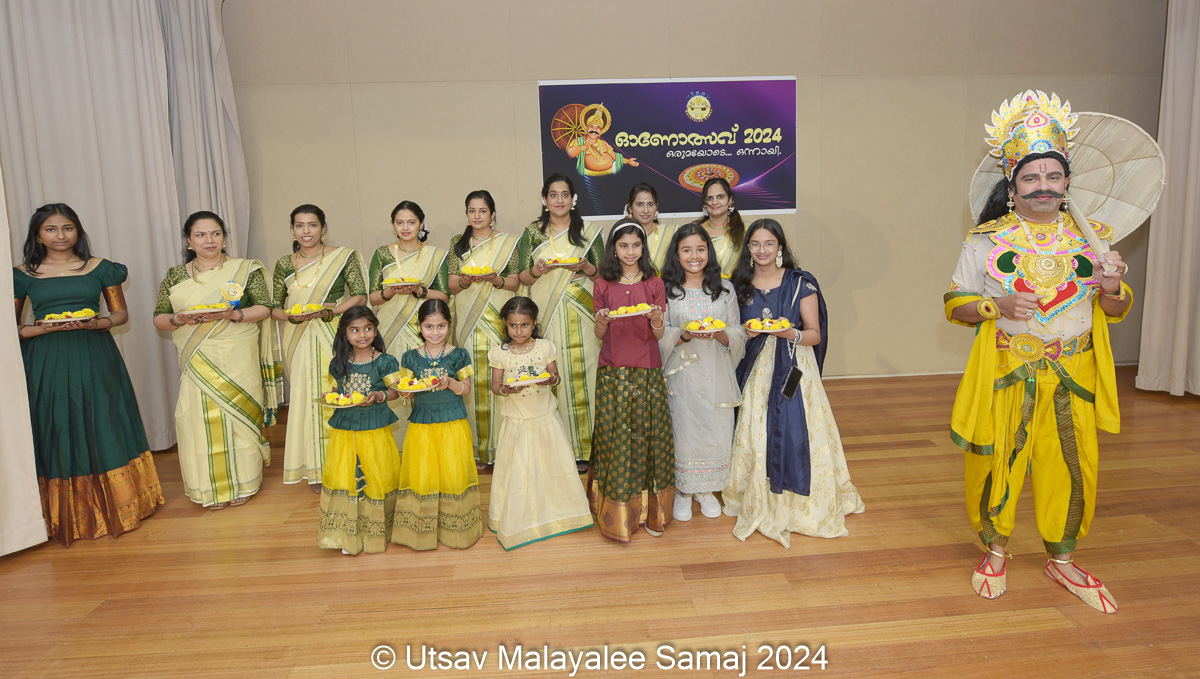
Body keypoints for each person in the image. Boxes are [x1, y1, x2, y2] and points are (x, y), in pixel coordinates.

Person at [947, 90, 1132, 613]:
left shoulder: (1095, 239)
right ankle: (995, 550)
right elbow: (955, 303)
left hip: (1074, 373)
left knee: (1071, 467)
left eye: (1053, 176)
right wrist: (996, 305)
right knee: (998, 463)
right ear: (1012, 187)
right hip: (1009, 370)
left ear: (1068, 182)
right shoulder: (985, 240)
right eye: (1031, 178)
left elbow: (1117, 308)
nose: (1043, 185)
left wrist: (1111, 285)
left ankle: (1063, 558)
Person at [14, 203, 164, 544]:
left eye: (67, 228)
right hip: (46, 361)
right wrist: (43, 328)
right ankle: (61, 515)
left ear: (78, 231)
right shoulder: (22, 275)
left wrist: (96, 323)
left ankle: (121, 505)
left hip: (95, 354)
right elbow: (12, 328)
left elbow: (120, 314)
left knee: (103, 421)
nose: (60, 235)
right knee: (56, 424)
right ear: (38, 234)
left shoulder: (101, 268)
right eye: (51, 229)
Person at [724, 219, 864, 547]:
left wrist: (790, 333)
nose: (761, 250)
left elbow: (814, 334)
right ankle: (756, 496)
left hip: (794, 366)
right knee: (756, 430)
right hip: (755, 371)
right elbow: (732, 332)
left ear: (780, 247)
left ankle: (800, 502)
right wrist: (746, 332)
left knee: (798, 429)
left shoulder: (800, 282)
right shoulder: (738, 285)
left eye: (768, 243)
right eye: (755, 244)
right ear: (748, 249)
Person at [153, 211, 281, 509]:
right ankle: (207, 488)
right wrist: (179, 318)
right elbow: (159, 317)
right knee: (196, 418)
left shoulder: (244, 270)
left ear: (224, 237)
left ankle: (244, 482)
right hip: (197, 356)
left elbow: (264, 307)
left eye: (215, 233)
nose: (209, 240)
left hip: (237, 354)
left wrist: (233, 314)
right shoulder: (175, 275)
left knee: (239, 416)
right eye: (200, 234)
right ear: (189, 240)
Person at [589, 219, 675, 541]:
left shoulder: (654, 282)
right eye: (623, 245)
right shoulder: (602, 284)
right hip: (613, 370)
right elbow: (600, 334)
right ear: (614, 248)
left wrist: (656, 319)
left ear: (643, 248)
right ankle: (617, 510)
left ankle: (652, 511)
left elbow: (659, 333)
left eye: (636, 245)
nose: (629, 251)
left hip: (647, 369)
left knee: (649, 436)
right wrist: (601, 321)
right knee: (616, 438)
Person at [271, 204, 367, 491]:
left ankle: (347, 465)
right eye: (299, 225)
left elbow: (360, 295)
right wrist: (291, 316)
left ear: (323, 228)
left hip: (332, 332)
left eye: (312, 225)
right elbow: (274, 308)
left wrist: (331, 311)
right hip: (297, 336)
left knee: (338, 391)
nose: (306, 231)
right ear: (292, 230)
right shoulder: (284, 264)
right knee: (306, 398)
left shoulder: (342, 257)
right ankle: (315, 469)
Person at [487, 297, 593, 549]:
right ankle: (521, 518)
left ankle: (559, 513)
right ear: (505, 324)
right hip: (517, 419)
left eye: (524, 325)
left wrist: (551, 380)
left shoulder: (545, 347)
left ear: (534, 323)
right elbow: (495, 385)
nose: (519, 331)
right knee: (521, 468)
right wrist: (505, 389)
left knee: (551, 464)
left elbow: (554, 376)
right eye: (513, 325)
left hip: (545, 417)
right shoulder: (499, 352)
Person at [658, 223, 746, 521]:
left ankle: (707, 490)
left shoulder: (724, 289)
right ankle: (683, 491)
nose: (694, 256)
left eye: (700, 249)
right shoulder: (667, 290)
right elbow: (658, 332)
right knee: (684, 428)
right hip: (681, 374)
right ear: (676, 254)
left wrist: (721, 335)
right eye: (686, 250)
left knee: (715, 426)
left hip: (716, 371)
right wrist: (683, 335)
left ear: (709, 251)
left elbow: (738, 331)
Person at [517, 174, 604, 471]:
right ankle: (558, 448)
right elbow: (523, 276)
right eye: (553, 195)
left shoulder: (588, 231)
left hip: (582, 311)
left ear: (573, 199)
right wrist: (538, 270)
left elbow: (601, 275)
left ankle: (591, 448)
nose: (559, 200)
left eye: (564, 194)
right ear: (544, 200)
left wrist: (586, 267)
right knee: (554, 375)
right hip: (549, 312)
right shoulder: (533, 232)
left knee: (587, 374)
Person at [392, 299, 481, 550]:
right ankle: (423, 528)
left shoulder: (459, 354)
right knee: (424, 472)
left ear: (449, 326)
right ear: (419, 326)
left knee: (453, 472)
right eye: (429, 326)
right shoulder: (410, 357)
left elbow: (466, 390)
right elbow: (406, 392)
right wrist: (405, 391)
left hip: (453, 423)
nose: (435, 332)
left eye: (441, 326)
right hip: (422, 424)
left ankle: (455, 530)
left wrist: (450, 383)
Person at [318, 307, 402, 555]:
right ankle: (349, 532)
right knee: (348, 475)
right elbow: (338, 391)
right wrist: (332, 397)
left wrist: (379, 395)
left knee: (375, 474)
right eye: (354, 330)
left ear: (375, 330)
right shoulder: (339, 362)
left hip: (374, 427)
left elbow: (395, 392)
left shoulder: (385, 361)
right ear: (345, 333)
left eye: (368, 328)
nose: (362, 334)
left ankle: (377, 530)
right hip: (346, 428)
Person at [446, 190, 520, 470]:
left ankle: (505, 448)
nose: (477, 216)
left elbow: (514, 282)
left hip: (497, 317)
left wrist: (495, 279)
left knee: (501, 377)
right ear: (466, 214)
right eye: (472, 211)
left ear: (493, 214)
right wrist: (465, 281)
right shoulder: (458, 243)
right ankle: (479, 451)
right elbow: (451, 285)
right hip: (469, 320)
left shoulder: (508, 242)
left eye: (483, 211)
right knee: (474, 382)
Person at [367, 200, 449, 444]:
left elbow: (444, 296)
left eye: (411, 222)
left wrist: (420, 291)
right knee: (395, 383)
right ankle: (399, 447)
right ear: (393, 225)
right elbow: (373, 297)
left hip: (425, 332)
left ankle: (426, 445)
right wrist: (391, 291)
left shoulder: (435, 255)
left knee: (425, 385)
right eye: (400, 222)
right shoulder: (383, 254)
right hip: (390, 329)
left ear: (421, 224)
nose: (405, 227)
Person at [565, 105, 638, 176]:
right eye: (591, 127)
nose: (594, 130)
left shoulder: (603, 143)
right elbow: (570, 153)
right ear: (587, 128)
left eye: (597, 128)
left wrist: (627, 161)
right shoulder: (579, 141)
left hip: (609, 175)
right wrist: (584, 146)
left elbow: (614, 156)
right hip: (587, 176)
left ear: (600, 131)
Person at [698, 177, 745, 276]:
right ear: (705, 202)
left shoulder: (745, 231)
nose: (714, 202)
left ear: (730, 200)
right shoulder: (696, 231)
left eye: (720, 197)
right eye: (710, 198)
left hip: (738, 284)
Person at [626, 183, 678, 271]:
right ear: (630, 208)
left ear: (656, 206)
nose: (646, 210)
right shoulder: (621, 234)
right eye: (640, 204)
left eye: (650, 204)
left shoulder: (670, 232)